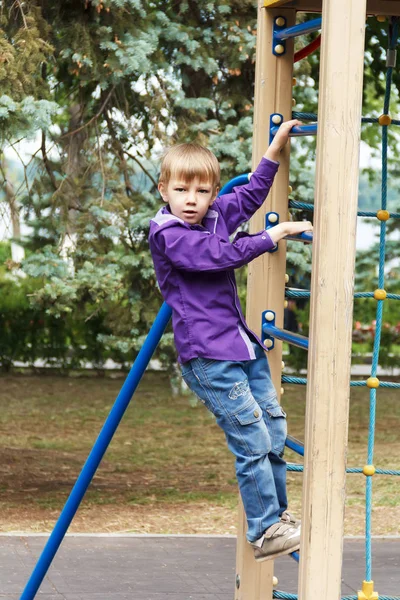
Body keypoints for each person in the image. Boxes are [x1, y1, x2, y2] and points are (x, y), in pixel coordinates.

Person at [148, 120, 312, 561]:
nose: (191, 201)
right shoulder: (168, 234)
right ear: (164, 190)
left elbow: (252, 193)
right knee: (251, 438)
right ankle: (264, 530)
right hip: (208, 357)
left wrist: (274, 149)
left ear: (211, 193)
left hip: (241, 347)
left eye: (202, 193)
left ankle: (276, 516)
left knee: (273, 427)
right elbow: (218, 256)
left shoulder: (215, 214)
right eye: (182, 190)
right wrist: (269, 237)